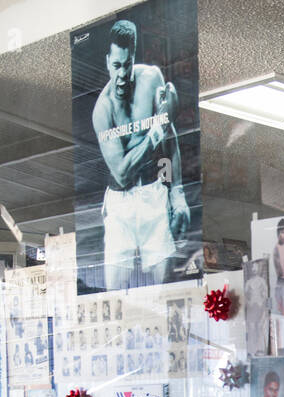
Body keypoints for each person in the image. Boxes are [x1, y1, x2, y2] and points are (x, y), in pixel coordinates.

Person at [91, 19, 190, 290]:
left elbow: (168, 140)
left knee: (167, 290)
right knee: (114, 293)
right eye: (116, 65)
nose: (122, 74)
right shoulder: (103, 110)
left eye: (127, 64)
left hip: (152, 192)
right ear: (107, 61)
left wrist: (176, 191)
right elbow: (122, 173)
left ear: (133, 57)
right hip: (120, 203)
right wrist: (154, 133)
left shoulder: (152, 79)